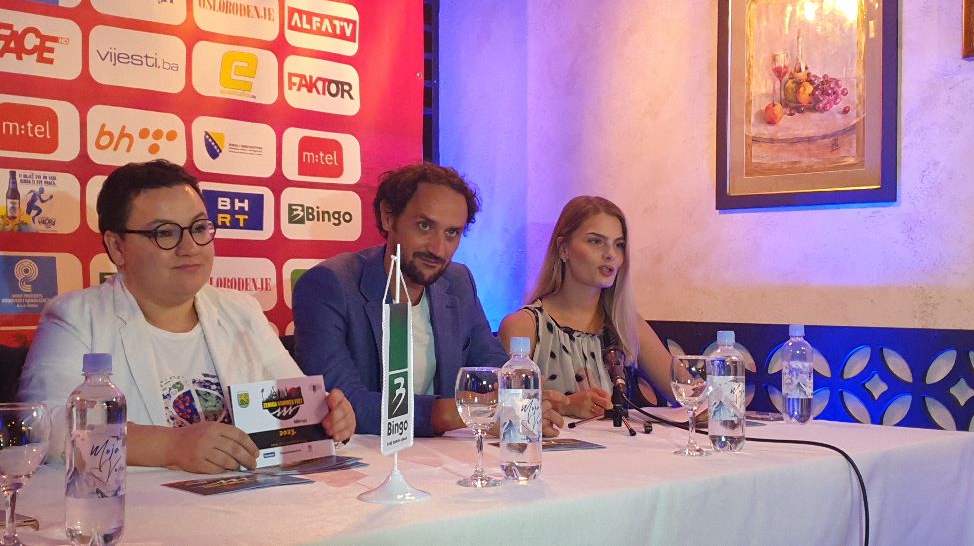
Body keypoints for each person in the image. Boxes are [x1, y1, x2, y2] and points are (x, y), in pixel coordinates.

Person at [18, 160, 355, 474]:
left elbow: (296, 402)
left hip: (248, 501)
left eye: (199, 227)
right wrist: (170, 446)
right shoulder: (76, 317)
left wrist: (328, 416)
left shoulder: (241, 310)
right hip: (142, 510)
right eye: (165, 233)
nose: (190, 246)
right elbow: (45, 427)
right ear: (117, 247)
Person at [293, 162, 566, 436]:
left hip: (444, 453)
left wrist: (522, 399)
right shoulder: (329, 285)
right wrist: (460, 412)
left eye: (452, 233)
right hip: (368, 455)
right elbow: (343, 402)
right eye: (424, 226)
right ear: (388, 217)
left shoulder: (458, 282)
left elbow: (491, 364)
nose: (438, 249)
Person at [498, 195, 675, 419]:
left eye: (618, 245)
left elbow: (686, 391)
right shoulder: (525, 326)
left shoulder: (625, 323)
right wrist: (565, 406)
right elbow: (506, 414)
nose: (610, 254)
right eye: (595, 241)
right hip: (554, 442)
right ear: (563, 249)